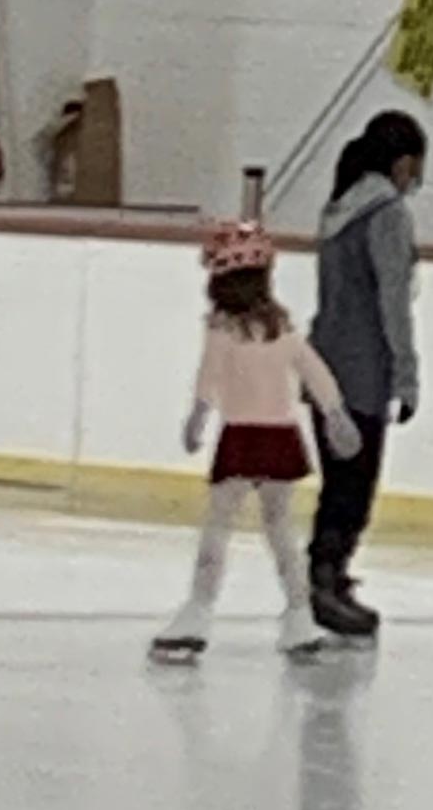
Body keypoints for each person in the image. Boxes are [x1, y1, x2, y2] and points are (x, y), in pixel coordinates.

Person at [152, 223, 363, 661]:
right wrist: (334, 411)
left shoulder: (238, 329)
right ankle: (294, 616)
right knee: (277, 531)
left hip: (250, 436)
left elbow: (301, 368)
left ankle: (205, 611)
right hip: (270, 436)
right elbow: (311, 369)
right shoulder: (269, 328)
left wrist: (199, 412)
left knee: (224, 529)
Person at [308, 111, 427, 638]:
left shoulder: (338, 208)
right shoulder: (388, 214)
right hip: (362, 370)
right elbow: (393, 301)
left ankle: (327, 573)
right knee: (354, 485)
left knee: (338, 479)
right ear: (403, 162)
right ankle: (325, 580)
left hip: (324, 361)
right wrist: (406, 373)